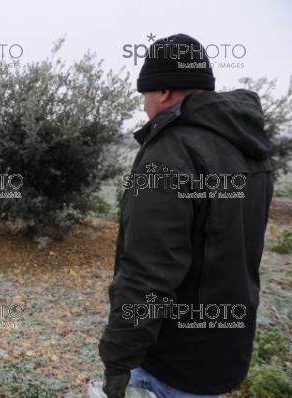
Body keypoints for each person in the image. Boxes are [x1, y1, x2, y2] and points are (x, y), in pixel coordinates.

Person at [99, 34, 274, 398]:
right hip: (223, 351)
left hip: (171, 362)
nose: (145, 105)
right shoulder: (249, 146)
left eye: (144, 94)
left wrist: (118, 360)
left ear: (162, 92)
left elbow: (149, 271)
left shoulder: (172, 152)